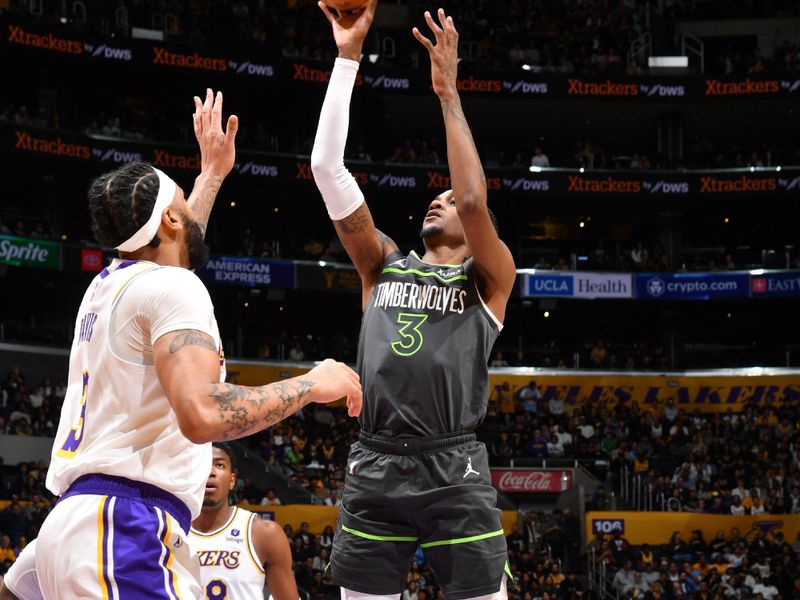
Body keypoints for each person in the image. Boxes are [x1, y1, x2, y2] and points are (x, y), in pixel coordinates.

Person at [36, 90, 362, 599]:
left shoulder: (108, 285)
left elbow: (176, 260)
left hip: (84, 522)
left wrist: (210, 176)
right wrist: (312, 383)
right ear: (168, 219)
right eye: (182, 202)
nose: (190, 207)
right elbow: (203, 415)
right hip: (126, 526)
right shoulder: (171, 288)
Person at [311, 3, 517, 599]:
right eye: (436, 196)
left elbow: (476, 203)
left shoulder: (489, 278)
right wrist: (347, 56)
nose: (440, 200)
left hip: (455, 466)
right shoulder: (381, 264)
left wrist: (448, 93)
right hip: (374, 461)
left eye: (447, 198)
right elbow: (327, 169)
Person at [190, 443, 297, 600]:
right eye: (202, 463)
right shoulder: (168, 531)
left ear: (232, 480)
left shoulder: (263, 533)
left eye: (219, 465)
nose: (210, 472)